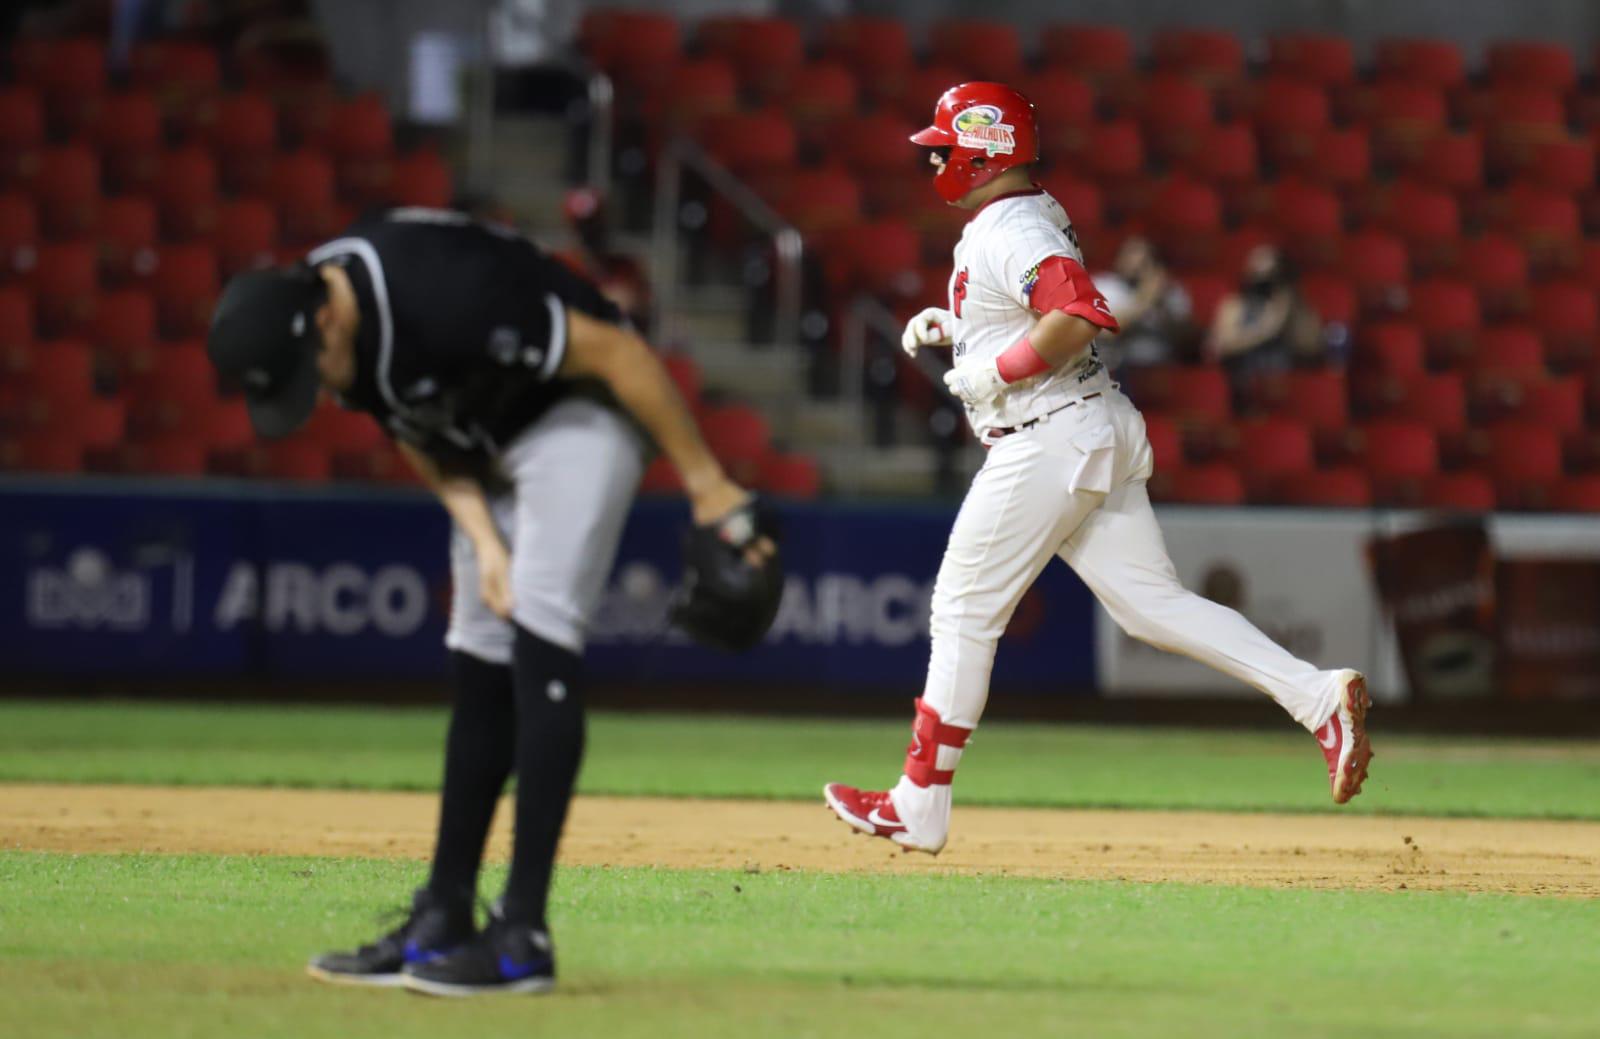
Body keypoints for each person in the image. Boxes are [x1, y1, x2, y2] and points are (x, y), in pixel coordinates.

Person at [207, 207, 767, 996]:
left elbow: (616, 350)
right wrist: (485, 539)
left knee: (539, 628)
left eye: (312, 362)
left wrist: (709, 486)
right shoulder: (330, 323)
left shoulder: (437, 290)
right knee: (477, 649)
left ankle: (522, 937)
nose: (319, 384)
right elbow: (415, 427)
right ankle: (443, 913)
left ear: (325, 314)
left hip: (584, 411)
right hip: (491, 442)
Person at [823, 83, 1372, 855]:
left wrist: (996, 370)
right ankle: (1317, 696)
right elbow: (1040, 311)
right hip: (1086, 425)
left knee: (962, 606)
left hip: (1047, 436)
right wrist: (966, 334)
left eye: (946, 145)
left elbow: (1078, 313)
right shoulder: (1029, 213)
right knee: (1153, 608)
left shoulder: (1008, 224)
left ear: (985, 148)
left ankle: (921, 798)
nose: (938, 157)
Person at [1206, 244, 1325, 384]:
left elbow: (1311, 345)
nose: (1263, 284)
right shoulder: (1234, 305)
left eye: (1272, 277)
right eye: (1258, 275)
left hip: (1283, 381)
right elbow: (1222, 345)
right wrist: (1269, 327)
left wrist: (1291, 306)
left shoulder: (1291, 308)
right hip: (1242, 380)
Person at [1092, 235, 1192, 368]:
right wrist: (1145, 301)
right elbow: (1106, 332)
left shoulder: (1170, 291)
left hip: (1165, 365)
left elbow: (1188, 340)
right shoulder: (1105, 286)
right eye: (1130, 258)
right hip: (1120, 367)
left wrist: (1162, 304)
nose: (1136, 266)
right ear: (1119, 259)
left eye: (1144, 261)